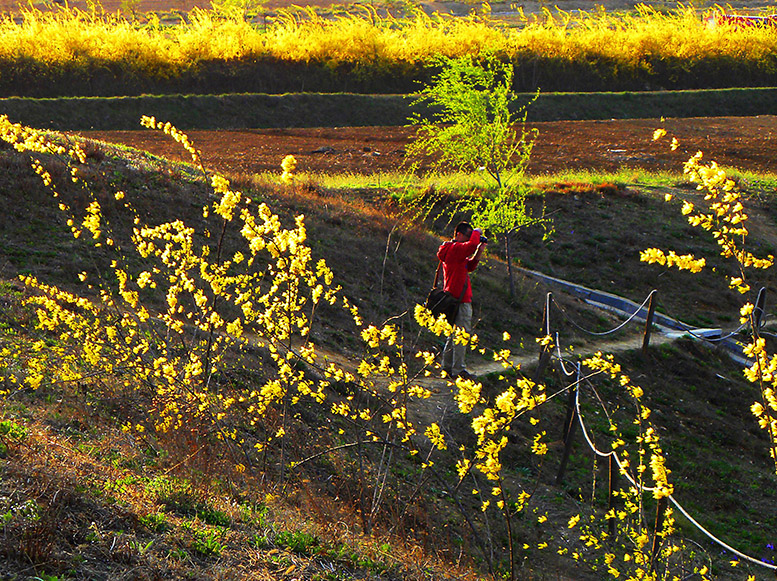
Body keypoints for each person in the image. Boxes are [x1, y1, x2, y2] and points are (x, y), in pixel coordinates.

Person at [438, 221, 486, 380]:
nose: (469, 238)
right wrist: (477, 233)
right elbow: (470, 246)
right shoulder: (455, 249)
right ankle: (459, 370)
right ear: (459, 234)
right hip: (460, 299)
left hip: (453, 298)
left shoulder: (453, 252)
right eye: (467, 235)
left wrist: (480, 249)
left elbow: (469, 266)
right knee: (462, 335)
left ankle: (447, 367)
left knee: (452, 336)